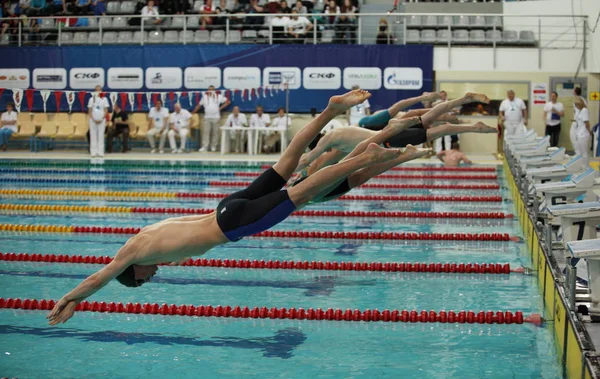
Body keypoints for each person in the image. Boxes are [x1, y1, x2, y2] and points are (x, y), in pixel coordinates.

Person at [46, 90, 421, 325]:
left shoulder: (131, 256)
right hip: (225, 207)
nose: (151, 277)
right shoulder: (147, 238)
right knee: (289, 160)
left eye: (145, 278)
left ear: (134, 272)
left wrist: (71, 298)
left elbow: (100, 277)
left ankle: (362, 158)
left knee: (302, 193)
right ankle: (329, 111)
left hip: (234, 224)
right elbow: (184, 247)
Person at [297, 92, 493, 173]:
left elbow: (309, 160)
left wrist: (288, 172)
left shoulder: (332, 143)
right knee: (431, 120)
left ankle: (473, 126)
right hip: (389, 133)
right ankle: (463, 101)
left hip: (390, 138)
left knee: (438, 130)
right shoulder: (336, 136)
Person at [193, 85, 230, 152]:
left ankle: (213, 147)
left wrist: (220, 108)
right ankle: (205, 147)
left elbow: (228, 102)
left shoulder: (218, 96)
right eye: (209, 89)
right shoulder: (204, 97)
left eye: (212, 90)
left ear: (214, 90)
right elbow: (199, 105)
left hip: (216, 117)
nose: (211, 91)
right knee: (206, 132)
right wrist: (193, 112)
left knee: (215, 133)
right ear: (207, 90)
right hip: (207, 117)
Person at [87, 86, 110, 158]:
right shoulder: (91, 99)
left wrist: (102, 118)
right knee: (93, 136)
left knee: (101, 136)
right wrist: (93, 119)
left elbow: (106, 110)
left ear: (101, 91)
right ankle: (93, 152)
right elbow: (90, 110)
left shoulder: (105, 99)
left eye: (99, 90)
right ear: (94, 91)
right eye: (96, 90)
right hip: (93, 120)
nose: (98, 91)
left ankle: (100, 152)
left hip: (102, 120)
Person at [570, 97, 591, 167]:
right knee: (580, 151)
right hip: (579, 133)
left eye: (577, 104)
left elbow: (587, 123)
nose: (576, 106)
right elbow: (580, 120)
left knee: (584, 151)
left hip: (583, 134)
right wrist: (574, 120)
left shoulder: (584, 110)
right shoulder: (579, 111)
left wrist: (589, 132)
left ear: (580, 104)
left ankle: (586, 166)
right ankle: (582, 165)